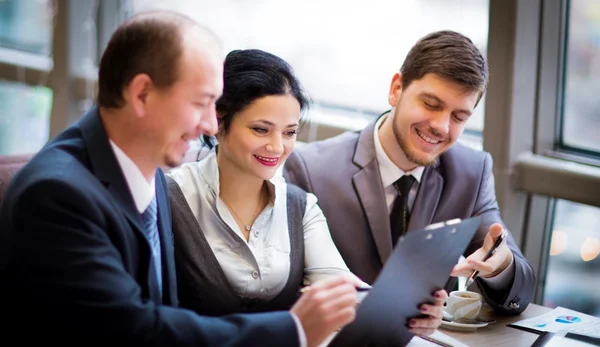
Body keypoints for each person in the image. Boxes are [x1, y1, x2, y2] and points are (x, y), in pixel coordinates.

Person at [0, 11, 360, 346]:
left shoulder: (145, 168)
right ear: (142, 94)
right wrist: (293, 329)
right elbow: (133, 330)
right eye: (201, 103)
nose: (209, 125)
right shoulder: (56, 195)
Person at [169, 48, 446, 337]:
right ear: (218, 120)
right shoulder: (169, 198)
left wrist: (408, 308)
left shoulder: (300, 207)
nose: (277, 147)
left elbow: (342, 286)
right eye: (261, 130)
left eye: (289, 133)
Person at [284, 30, 536, 317]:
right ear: (396, 89)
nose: (441, 126)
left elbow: (522, 291)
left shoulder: (471, 172)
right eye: (431, 104)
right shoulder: (310, 169)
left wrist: (501, 264)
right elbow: (284, 290)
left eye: (458, 117)